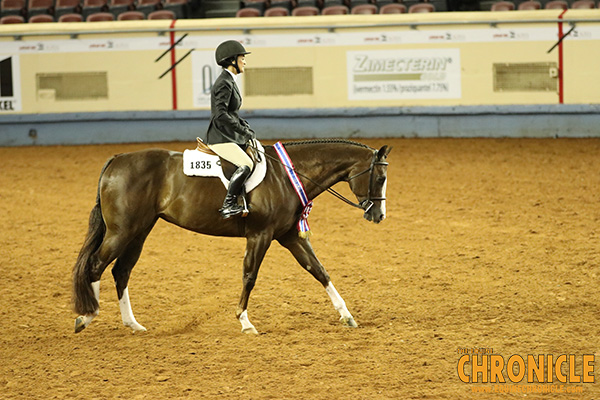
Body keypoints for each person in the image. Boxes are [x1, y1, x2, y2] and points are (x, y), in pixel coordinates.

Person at [206, 40, 255, 219]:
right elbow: (220, 115)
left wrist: (243, 125)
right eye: (242, 58)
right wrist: (241, 131)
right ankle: (228, 204)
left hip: (229, 135)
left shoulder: (229, 81)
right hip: (220, 137)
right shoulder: (223, 83)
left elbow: (231, 113)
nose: (244, 62)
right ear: (232, 60)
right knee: (246, 164)